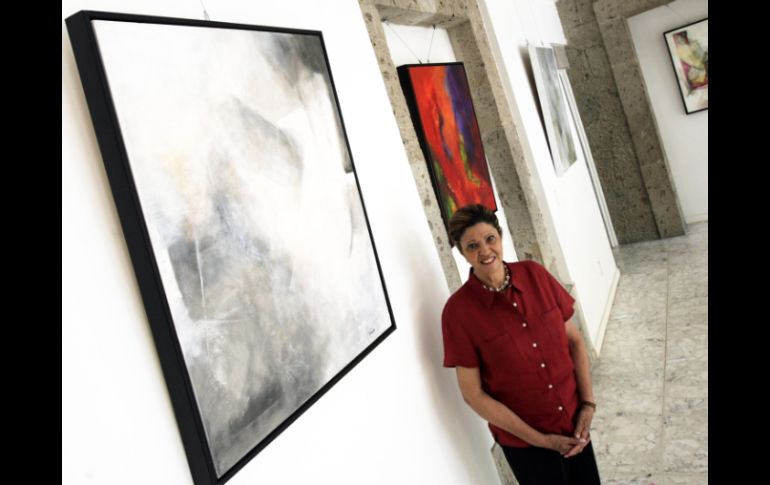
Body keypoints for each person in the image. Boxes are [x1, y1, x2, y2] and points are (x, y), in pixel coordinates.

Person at [441, 204, 601, 484]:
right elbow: (473, 395)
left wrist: (587, 404)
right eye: (473, 246)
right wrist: (542, 440)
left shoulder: (535, 274)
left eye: (490, 239)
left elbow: (575, 341)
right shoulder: (458, 313)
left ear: (500, 237)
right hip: (527, 447)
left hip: (575, 425)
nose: (485, 251)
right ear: (463, 253)